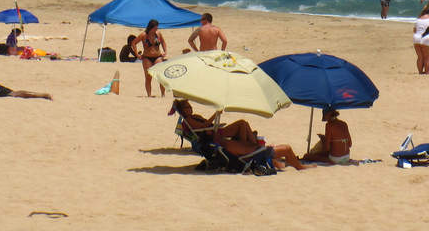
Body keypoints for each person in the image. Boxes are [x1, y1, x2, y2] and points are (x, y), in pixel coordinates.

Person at [170, 99, 309, 170]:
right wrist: (216, 114)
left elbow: (205, 126)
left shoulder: (193, 117)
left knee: (243, 127)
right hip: (215, 134)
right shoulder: (188, 121)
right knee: (242, 124)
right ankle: (298, 166)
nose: (190, 108)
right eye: (187, 107)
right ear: (183, 110)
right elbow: (204, 127)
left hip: (223, 138)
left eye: (190, 106)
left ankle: (255, 145)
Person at [131, 19, 167, 97]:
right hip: (147, 58)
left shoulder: (158, 34)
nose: (156, 29)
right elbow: (134, 43)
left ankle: (163, 94)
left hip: (158, 57)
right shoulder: (143, 35)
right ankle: (149, 95)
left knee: (160, 76)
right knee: (148, 77)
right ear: (151, 27)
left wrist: (165, 51)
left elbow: (163, 42)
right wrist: (137, 54)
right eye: (155, 28)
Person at [412, 5, 429, 74]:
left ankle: (420, 72)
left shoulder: (418, 20)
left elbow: (414, 30)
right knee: (427, 57)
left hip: (416, 38)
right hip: (427, 38)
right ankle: (426, 72)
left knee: (420, 57)